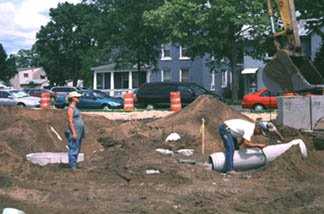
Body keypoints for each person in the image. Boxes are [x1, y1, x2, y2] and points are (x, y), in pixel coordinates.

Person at [65, 91, 85, 171]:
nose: (78, 98)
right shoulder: (70, 109)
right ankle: (72, 166)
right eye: (77, 97)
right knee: (73, 148)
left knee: (77, 148)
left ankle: (74, 164)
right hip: (74, 131)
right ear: (73, 98)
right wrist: (74, 132)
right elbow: (70, 121)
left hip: (79, 131)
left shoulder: (75, 108)